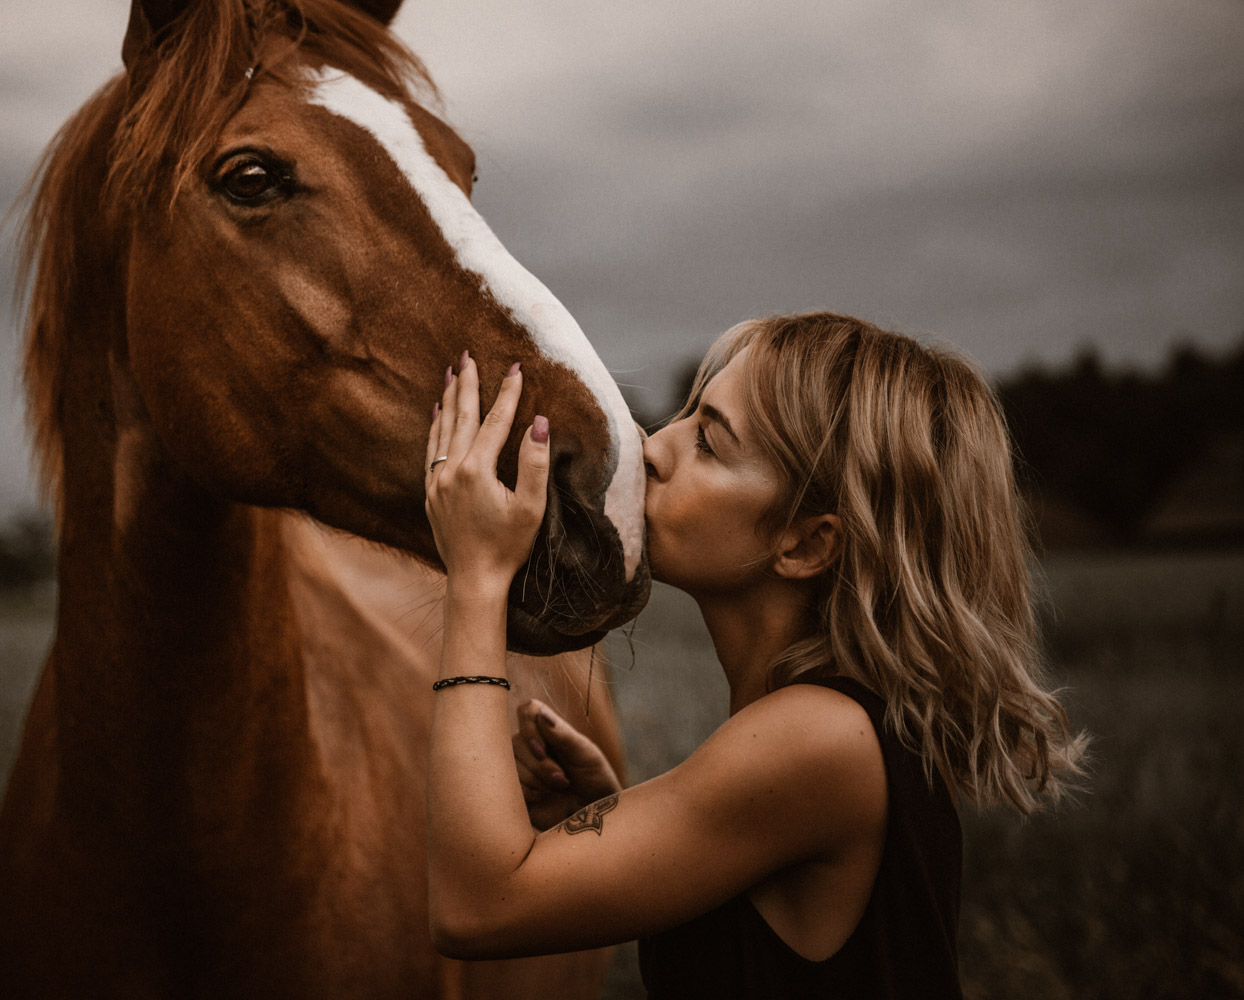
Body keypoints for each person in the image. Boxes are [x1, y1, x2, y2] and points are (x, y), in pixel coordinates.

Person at [421, 312, 1087, 998]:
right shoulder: (840, 729)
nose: (653, 447)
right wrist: (609, 814)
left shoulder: (820, 741)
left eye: (708, 442)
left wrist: (475, 577)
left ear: (804, 545)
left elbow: (478, 908)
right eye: (684, 415)